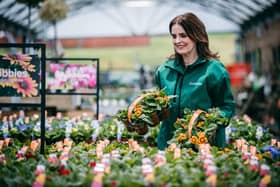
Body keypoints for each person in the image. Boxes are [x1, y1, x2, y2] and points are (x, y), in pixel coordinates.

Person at [154, 12, 235, 150]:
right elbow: (161, 109)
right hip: (169, 144)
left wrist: (209, 124)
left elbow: (226, 107)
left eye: (183, 35)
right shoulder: (164, 71)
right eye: (174, 36)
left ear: (197, 36)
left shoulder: (214, 70)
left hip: (204, 145)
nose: (177, 40)